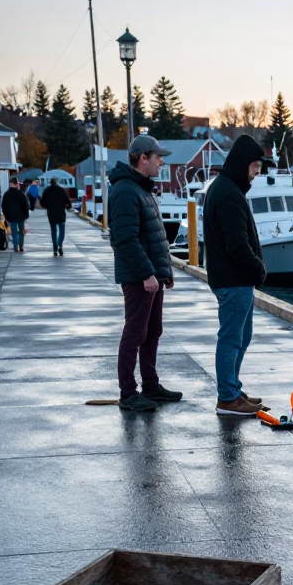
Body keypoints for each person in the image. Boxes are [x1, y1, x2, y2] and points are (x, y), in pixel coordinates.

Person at [109, 134, 182, 412]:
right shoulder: (126, 190)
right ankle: (128, 393)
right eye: (158, 157)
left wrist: (164, 271)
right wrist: (146, 274)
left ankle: (151, 385)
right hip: (139, 277)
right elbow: (125, 239)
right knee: (135, 332)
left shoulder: (142, 188)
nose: (161, 162)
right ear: (143, 159)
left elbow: (153, 236)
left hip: (152, 274)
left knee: (153, 331)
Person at [203, 133, 272, 416]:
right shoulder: (228, 193)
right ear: (244, 163)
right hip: (233, 280)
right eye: (255, 167)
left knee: (242, 336)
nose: (256, 173)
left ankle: (233, 388)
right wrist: (258, 268)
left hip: (235, 279)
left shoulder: (227, 188)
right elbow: (237, 244)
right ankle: (227, 398)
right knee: (231, 338)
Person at [40, 176, 72, 256]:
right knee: (62, 230)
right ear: (57, 182)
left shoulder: (47, 190)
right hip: (61, 213)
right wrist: (67, 207)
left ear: (50, 183)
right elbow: (68, 201)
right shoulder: (62, 190)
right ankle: (60, 244)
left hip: (51, 214)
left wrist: (48, 206)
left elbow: (42, 202)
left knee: (53, 231)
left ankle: (55, 248)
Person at [1, 177, 30, 253]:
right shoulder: (21, 194)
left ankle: (15, 247)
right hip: (21, 216)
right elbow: (26, 205)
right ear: (16, 184)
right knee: (21, 232)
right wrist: (26, 215)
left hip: (11, 216)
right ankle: (21, 246)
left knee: (14, 232)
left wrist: (6, 216)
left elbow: (4, 206)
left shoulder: (6, 195)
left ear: (10, 184)